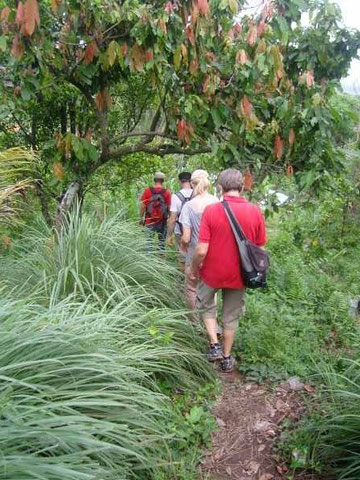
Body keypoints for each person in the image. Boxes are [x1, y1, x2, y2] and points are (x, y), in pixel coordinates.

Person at [190, 169, 267, 373]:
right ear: (242, 188)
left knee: (206, 305)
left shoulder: (212, 211)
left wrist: (193, 268)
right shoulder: (255, 211)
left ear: (221, 188)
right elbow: (260, 250)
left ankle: (214, 344)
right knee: (231, 316)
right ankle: (226, 357)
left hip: (211, 274)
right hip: (239, 275)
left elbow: (201, 250)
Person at [178, 169, 218, 312]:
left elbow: (186, 237)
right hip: (214, 255)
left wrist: (182, 247)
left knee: (191, 289)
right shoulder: (217, 203)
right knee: (210, 290)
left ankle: (195, 324)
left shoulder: (189, 206)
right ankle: (210, 322)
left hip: (194, 254)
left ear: (192, 184)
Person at [167, 171, 193, 271]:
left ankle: (184, 282)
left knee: (182, 257)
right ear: (191, 181)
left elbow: (172, 219)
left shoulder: (176, 197)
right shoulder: (196, 194)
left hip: (180, 231)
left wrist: (169, 235)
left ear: (180, 181)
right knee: (194, 255)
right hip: (195, 230)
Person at [140, 171, 171, 254]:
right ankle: (161, 261)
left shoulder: (147, 191)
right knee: (161, 244)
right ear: (163, 181)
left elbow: (143, 206)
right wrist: (169, 219)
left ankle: (148, 262)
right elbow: (169, 207)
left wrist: (141, 219)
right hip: (162, 222)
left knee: (148, 244)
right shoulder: (167, 192)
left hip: (149, 220)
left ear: (154, 180)